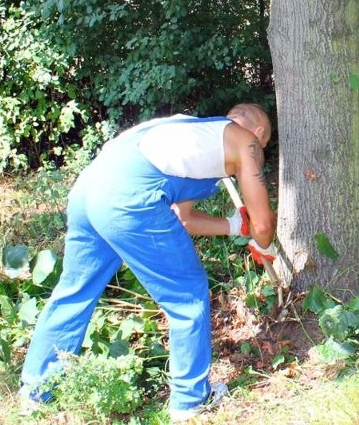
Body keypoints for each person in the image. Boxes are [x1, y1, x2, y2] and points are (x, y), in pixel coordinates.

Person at [18, 103, 277, 422]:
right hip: (128, 199)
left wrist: (238, 227)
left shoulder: (191, 132)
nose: (259, 152)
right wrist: (265, 244)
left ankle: (36, 391)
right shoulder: (246, 141)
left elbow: (185, 219)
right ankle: (191, 400)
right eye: (263, 147)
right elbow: (264, 226)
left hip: (89, 190)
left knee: (76, 290)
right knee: (188, 294)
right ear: (260, 133)